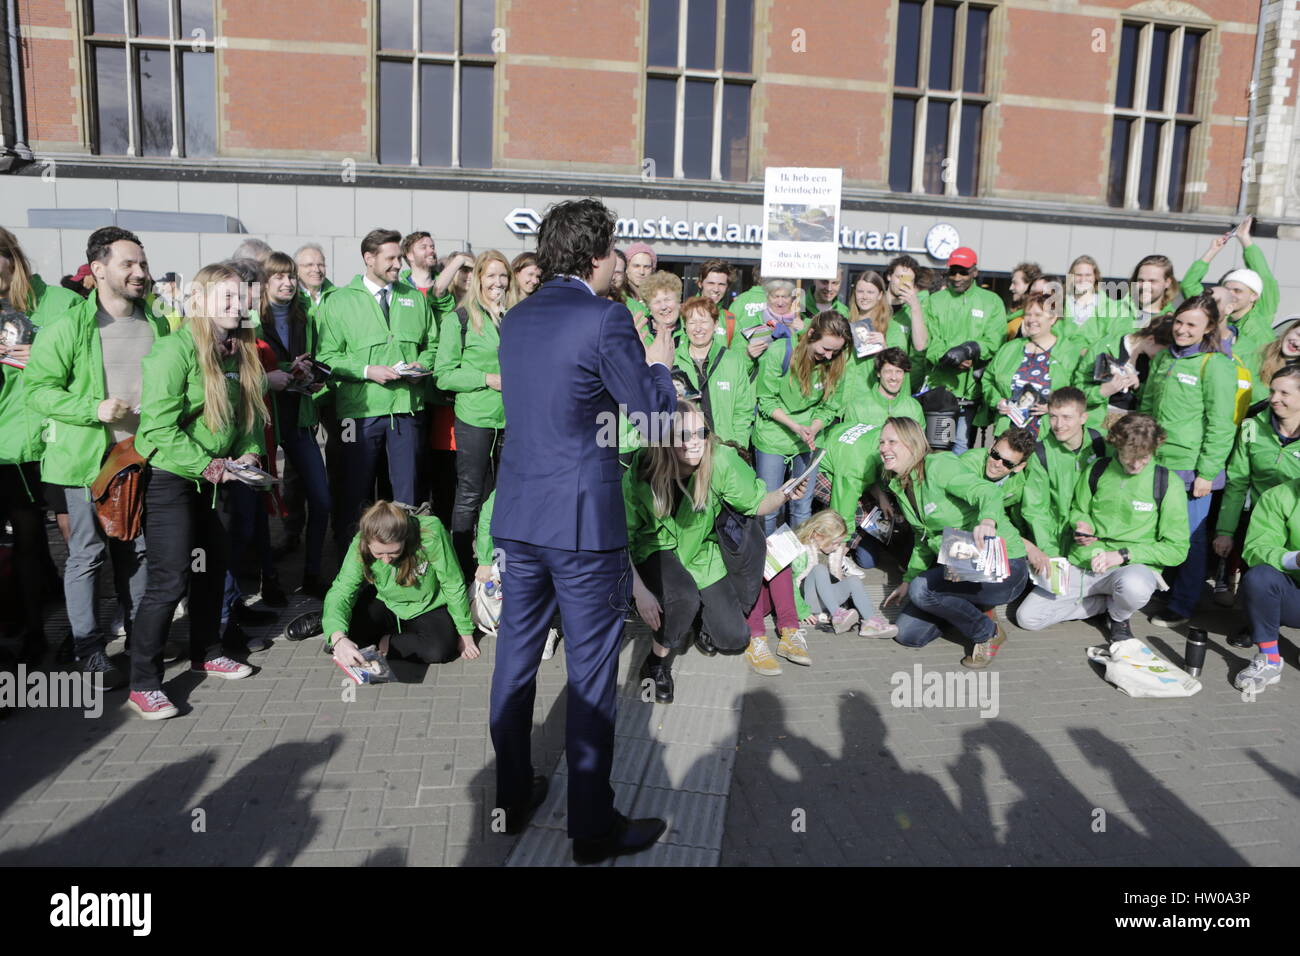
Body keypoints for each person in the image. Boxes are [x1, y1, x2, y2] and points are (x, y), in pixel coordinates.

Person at [489, 198, 676, 864]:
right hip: (581, 525)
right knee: (591, 677)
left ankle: (511, 799)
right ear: (596, 255)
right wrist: (660, 362)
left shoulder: (517, 316)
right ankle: (592, 831)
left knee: (515, 661)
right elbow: (653, 421)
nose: (620, 262)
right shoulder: (606, 318)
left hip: (518, 515)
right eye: (616, 250)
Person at [25, 227, 169, 689]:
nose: (140, 273)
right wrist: (93, 409)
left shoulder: (159, 322)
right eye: (128, 264)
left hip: (139, 458)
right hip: (85, 462)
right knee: (86, 555)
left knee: (136, 552)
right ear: (98, 269)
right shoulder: (68, 327)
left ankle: (138, 643)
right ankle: (88, 648)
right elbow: (38, 390)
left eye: (143, 264)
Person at [126, 263, 269, 719]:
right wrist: (207, 465)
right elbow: (158, 428)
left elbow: (246, 419)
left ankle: (207, 651)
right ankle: (143, 683)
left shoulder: (239, 350)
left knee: (213, 570)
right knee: (169, 581)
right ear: (200, 301)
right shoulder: (173, 351)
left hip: (220, 477)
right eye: (225, 298)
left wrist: (248, 454)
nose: (236, 306)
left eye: (240, 298)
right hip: (173, 477)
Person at [626, 400, 808, 691]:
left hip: (701, 554)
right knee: (682, 596)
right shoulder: (640, 471)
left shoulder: (719, 459)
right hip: (655, 550)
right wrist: (641, 593)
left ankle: (697, 618)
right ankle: (656, 662)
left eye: (702, 433)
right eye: (685, 435)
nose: (696, 442)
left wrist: (785, 494)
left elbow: (756, 503)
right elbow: (619, 541)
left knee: (735, 639)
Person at [1016, 413, 1189, 641]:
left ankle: (1119, 616)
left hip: (1129, 568)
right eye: (1129, 458)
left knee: (1134, 587)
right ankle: (1102, 605)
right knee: (1027, 618)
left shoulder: (1167, 483)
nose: (1136, 465)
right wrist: (1081, 523)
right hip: (1084, 562)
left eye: (1144, 458)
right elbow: (1079, 509)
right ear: (1116, 446)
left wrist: (1123, 555)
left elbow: (1177, 549)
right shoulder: (1098, 469)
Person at [317, 228, 435, 545]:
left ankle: (403, 577)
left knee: (406, 504)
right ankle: (351, 575)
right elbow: (326, 357)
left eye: (400, 257)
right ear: (369, 259)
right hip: (358, 416)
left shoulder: (414, 298)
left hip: (406, 414)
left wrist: (422, 365)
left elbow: (432, 345)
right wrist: (368, 371)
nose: (399, 264)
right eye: (391, 258)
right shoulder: (339, 302)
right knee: (353, 500)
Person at [879, 417, 1028, 668]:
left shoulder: (939, 466)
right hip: (959, 565)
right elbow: (922, 536)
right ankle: (963, 608)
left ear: (912, 443)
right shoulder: (899, 483)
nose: (884, 448)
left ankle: (987, 632)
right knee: (908, 635)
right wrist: (906, 580)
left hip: (1004, 565)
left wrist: (988, 521)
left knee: (922, 590)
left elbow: (987, 492)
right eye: (882, 442)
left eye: (892, 441)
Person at [0, 227, 82, 662]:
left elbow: (91, 366)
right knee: (26, 546)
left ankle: (67, 630)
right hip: (8, 446)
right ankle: (28, 630)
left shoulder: (62, 303)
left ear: (12, 257)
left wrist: (46, 358)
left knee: (66, 542)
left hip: (52, 442)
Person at [1139, 294, 1237, 628]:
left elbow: (1222, 424)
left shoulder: (1216, 365)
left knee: (1190, 538)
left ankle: (1183, 605)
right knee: (1159, 530)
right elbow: (1148, 406)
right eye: (1179, 322)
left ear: (1209, 327)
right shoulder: (1164, 358)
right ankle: (1167, 589)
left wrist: (1207, 473)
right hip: (1158, 460)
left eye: (1191, 325)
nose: (1182, 329)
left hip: (1193, 468)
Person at [435, 249, 516, 577]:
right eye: (491, 275)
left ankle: (494, 558)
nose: (498, 282)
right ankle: (462, 565)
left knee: (504, 491)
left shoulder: (516, 317)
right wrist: (486, 379)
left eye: (503, 276)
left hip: (511, 419)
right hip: (475, 417)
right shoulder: (460, 319)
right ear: (478, 278)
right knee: (471, 492)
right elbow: (443, 374)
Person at [321, 500, 477, 668]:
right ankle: (327, 623)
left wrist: (465, 633)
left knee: (440, 650)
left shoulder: (431, 532)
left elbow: (452, 582)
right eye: (379, 553)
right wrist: (338, 637)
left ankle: (387, 641)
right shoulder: (360, 543)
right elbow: (342, 589)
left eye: (394, 552)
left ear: (405, 537)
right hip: (386, 601)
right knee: (343, 636)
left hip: (427, 605)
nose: (387, 560)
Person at [258, 251, 331, 596]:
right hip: (265, 419)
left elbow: (311, 360)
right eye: (278, 277)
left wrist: (310, 375)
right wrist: (288, 369)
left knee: (321, 498)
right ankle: (267, 580)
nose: (287, 283)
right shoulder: (251, 318)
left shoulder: (305, 315)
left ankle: (314, 574)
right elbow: (245, 370)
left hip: (300, 413)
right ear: (265, 282)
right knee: (260, 503)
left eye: (290, 276)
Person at [1213, 366, 1300, 617]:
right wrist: (1225, 532)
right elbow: (1237, 482)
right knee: (1258, 573)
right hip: (1262, 519)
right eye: (1272, 391)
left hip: (1296, 518)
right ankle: (1255, 627)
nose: (1274, 398)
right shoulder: (1252, 427)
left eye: (1284, 393)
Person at [753, 311, 850, 534]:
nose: (828, 356)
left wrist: (813, 427)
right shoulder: (781, 352)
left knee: (801, 507)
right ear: (811, 334)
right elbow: (766, 400)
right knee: (769, 508)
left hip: (809, 439)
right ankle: (767, 562)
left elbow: (830, 406)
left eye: (835, 351)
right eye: (825, 349)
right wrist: (795, 426)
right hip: (774, 437)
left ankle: (798, 561)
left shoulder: (835, 363)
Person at [919, 247, 1007, 455]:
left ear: (975, 272)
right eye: (953, 271)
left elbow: (996, 340)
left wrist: (971, 350)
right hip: (942, 390)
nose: (957, 277)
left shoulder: (991, 301)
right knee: (939, 447)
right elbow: (929, 341)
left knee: (962, 447)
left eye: (963, 272)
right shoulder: (935, 301)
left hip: (973, 392)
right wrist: (947, 358)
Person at [1180, 217, 1277, 383]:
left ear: (1254, 296)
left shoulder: (1261, 321)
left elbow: (1265, 276)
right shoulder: (1217, 313)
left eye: (1238, 291)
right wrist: (1212, 251)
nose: (1231, 294)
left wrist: (1245, 239)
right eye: (1227, 289)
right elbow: (1189, 286)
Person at [1019, 388, 1109, 562]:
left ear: (1083, 418)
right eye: (1053, 416)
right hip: (1055, 542)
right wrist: (1052, 554)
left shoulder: (1101, 445)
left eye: (1067, 417)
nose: (1059, 425)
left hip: (1093, 544)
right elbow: (1035, 510)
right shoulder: (1040, 454)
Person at [982, 291, 1086, 438]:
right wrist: (997, 401)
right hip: (1008, 432)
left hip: (1047, 434)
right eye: (1028, 314)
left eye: (1038, 315)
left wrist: (1054, 408)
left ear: (1053, 318)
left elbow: (1081, 390)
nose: (1031, 320)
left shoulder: (1069, 352)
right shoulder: (1010, 348)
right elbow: (988, 379)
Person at [1234, 474, 1300, 695]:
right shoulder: (1279, 496)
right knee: (1259, 578)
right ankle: (1270, 659)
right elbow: (1256, 548)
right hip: (1293, 595)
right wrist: (1295, 559)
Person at [793, 510, 896, 639]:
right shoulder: (802, 550)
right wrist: (801, 612)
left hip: (826, 600)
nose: (837, 548)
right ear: (818, 535)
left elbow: (836, 579)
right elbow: (789, 585)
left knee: (853, 580)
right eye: (834, 543)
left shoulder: (832, 551)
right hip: (806, 602)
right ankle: (837, 616)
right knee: (819, 569)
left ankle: (870, 623)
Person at [673, 295, 754, 446]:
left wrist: (738, 446)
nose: (698, 328)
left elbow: (743, 410)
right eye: (692, 322)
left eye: (704, 321)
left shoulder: (733, 361)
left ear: (716, 324)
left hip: (724, 448)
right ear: (685, 327)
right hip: (686, 448)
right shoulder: (674, 361)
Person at [845, 270, 926, 401]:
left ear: (880, 295)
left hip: (872, 401)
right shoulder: (846, 322)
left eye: (870, 292)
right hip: (843, 400)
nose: (864, 297)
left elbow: (900, 366)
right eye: (860, 291)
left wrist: (884, 348)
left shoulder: (891, 326)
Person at [729, 277, 805, 371]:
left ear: (793, 299)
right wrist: (748, 355)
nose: (780, 303)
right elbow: (734, 369)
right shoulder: (751, 326)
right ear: (767, 298)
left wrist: (805, 333)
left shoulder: (805, 325)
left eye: (785, 297)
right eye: (775, 297)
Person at [1123, 254, 1178, 330]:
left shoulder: (1172, 322)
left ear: (1167, 283)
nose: (1144, 286)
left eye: (1152, 281)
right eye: (1141, 280)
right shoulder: (1114, 309)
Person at [696, 258, 736, 343]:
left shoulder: (731, 320)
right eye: (711, 283)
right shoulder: (683, 314)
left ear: (727, 287)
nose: (716, 289)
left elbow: (739, 351)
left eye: (721, 284)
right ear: (700, 284)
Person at [638, 270, 683, 344]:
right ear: (649, 308)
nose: (663, 307)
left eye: (667, 300)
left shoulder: (690, 329)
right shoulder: (640, 332)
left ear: (678, 301)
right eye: (657, 302)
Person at [1003, 261, 1042, 338]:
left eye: (1015, 283)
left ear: (1030, 285)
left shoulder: (1033, 320)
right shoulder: (1010, 312)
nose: (1010, 288)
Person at [623, 241, 656, 319]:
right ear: (626, 268)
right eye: (636, 266)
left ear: (652, 270)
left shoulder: (658, 299)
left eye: (647, 267)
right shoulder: (618, 297)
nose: (642, 272)